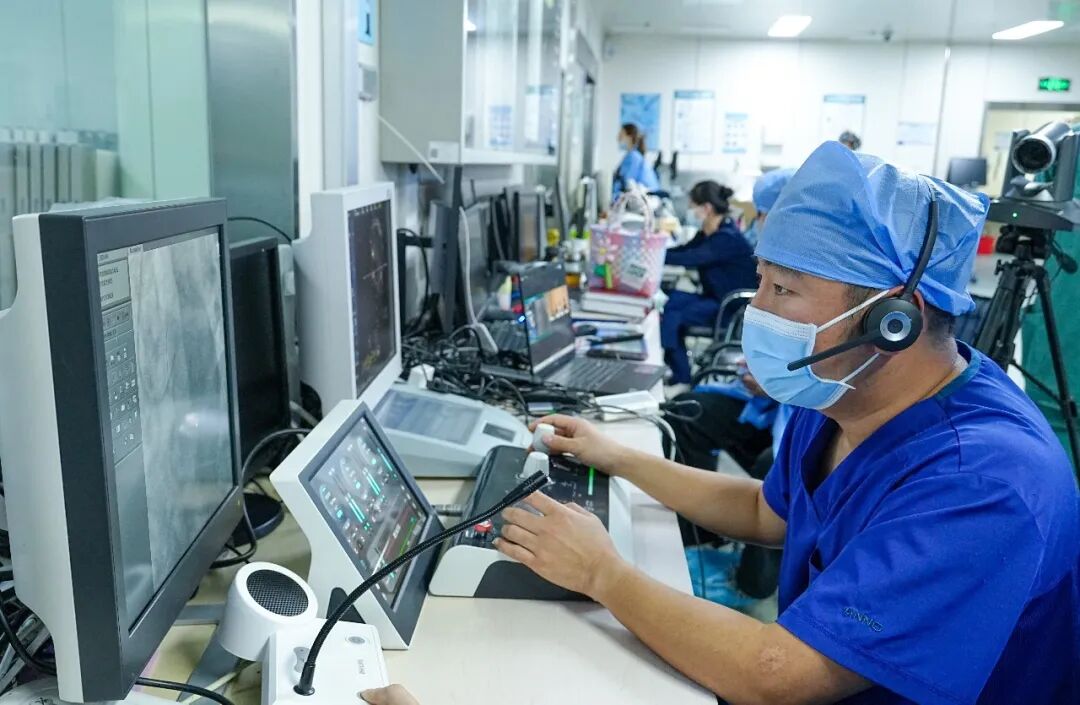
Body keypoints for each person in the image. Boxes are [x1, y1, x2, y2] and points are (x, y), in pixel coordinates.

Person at [363, 141, 1080, 704]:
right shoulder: (846, 392)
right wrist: (619, 457)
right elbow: (769, 512)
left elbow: (778, 674)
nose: (757, 309)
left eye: (784, 289)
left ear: (895, 319)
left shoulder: (984, 483)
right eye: (761, 279)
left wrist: (602, 572)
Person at [665, 168, 796, 608]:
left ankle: (751, 584)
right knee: (688, 411)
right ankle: (700, 540)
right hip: (772, 404)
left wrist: (782, 386)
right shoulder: (778, 260)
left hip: (796, 413)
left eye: (764, 213)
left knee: (774, 464)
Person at [661, 181, 757, 384]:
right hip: (713, 298)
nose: (690, 211)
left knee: (672, 315)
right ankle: (676, 369)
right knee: (669, 300)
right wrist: (654, 251)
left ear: (706, 208)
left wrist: (656, 255)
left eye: (693, 206)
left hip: (728, 310)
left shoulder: (726, 238)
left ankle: (681, 377)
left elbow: (691, 258)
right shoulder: (710, 232)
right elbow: (684, 250)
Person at [612, 123, 659, 200]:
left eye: (621, 133)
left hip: (647, 196)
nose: (618, 136)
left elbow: (628, 182)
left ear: (629, 136)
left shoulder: (633, 157)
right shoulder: (632, 155)